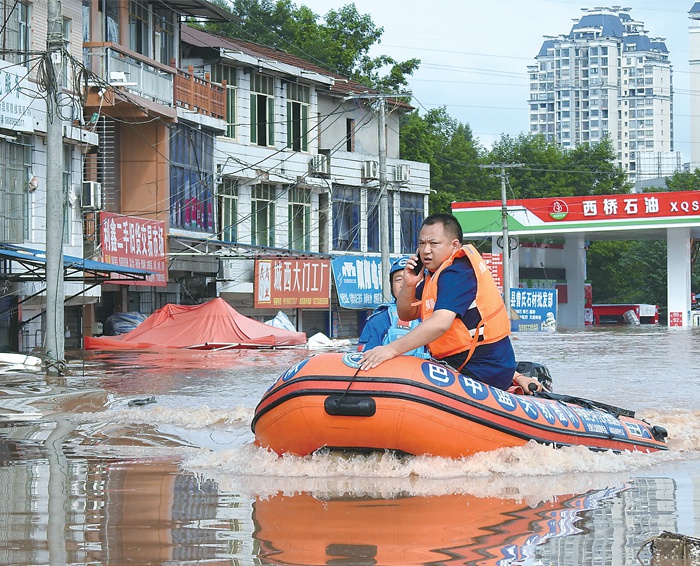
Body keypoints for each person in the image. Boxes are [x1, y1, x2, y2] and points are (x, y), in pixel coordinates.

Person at [359, 212, 542, 394]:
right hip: (458, 365)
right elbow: (407, 314)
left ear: (455, 245)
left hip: (482, 370)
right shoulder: (434, 275)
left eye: (433, 243)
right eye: (422, 244)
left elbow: (440, 323)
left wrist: (391, 349)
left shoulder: (457, 272)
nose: (426, 250)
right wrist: (409, 285)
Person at [357, 256, 430, 358]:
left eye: (413, 277)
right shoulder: (380, 319)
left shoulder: (438, 313)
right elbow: (364, 358)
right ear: (391, 286)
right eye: (398, 280)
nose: (405, 284)